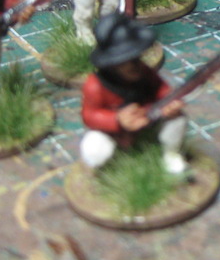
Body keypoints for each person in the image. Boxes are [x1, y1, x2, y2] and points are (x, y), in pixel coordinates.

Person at [80, 13, 187, 175]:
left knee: (177, 120)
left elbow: (161, 88)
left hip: (148, 117)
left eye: (135, 57)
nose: (134, 65)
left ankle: (171, 155)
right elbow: (89, 115)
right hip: (113, 131)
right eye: (125, 60)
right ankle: (106, 170)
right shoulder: (95, 85)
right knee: (94, 148)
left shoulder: (144, 71)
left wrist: (169, 102)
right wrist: (117, 119)